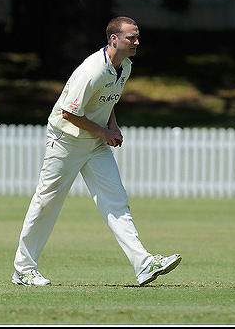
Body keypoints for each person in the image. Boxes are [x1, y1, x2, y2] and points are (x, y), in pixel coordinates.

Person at [12, 16, 181, 287]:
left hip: (95, 142)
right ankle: (23, 269)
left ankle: (144, 264)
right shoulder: (92, 70)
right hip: (65, 140)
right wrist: (103, 131)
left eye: (137, 37)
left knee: (116, 200)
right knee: (46, 202)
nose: (137, 42)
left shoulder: (124, 66)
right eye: (131, 37)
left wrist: (111, 126)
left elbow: (108, 100)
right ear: (113, 39)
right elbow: (69, 112)